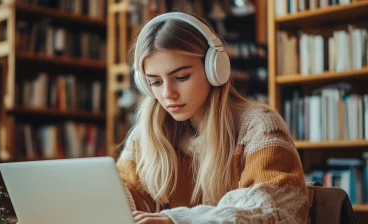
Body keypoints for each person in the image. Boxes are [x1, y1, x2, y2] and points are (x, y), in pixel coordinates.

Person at [116, 12, 309, 224]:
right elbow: (121, 195)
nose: (167, 94)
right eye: (155, 82)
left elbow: (269, 208)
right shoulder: (144, 138)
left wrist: (178, 221)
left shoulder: (260, 126)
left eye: (181, 77)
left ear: (215, 69)